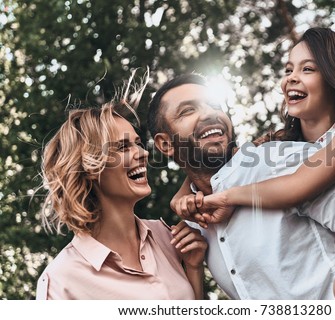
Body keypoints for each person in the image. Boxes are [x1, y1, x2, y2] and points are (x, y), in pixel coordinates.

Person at [174, 28, 335, 299]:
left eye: (307, 69)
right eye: (288, 70)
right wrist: (183, 194)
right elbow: (226, 160)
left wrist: (230, 197)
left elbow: (298, 185)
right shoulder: (282, 145)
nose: (291, 78)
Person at [35, 72, 207, 300]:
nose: (144, 153)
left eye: (137, 143)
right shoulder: (61, 281)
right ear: (89, 166)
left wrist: (194, 269)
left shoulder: (167, 237)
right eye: (123, 147)